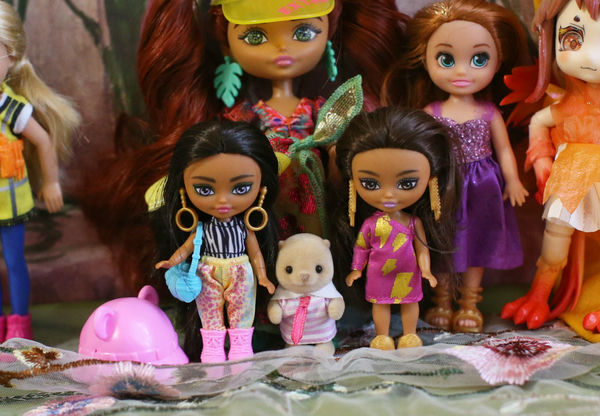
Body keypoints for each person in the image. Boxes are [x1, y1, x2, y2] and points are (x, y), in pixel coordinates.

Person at [334, 107, 460, 349]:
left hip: (407, 271)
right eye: (370, 183)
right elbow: (361, 247)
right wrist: (356, 270)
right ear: (353, 182)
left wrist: (426, 270)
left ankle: (409, 334)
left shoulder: (413, 222)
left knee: (409, 302)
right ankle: (382, 335)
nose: (389, 195)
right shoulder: (371, 224)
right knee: (380, 303)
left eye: (407, 183)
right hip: (378, 271)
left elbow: (422, 249)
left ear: (432, 181)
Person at [0, 2, 79, 341]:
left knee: (14, 261)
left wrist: (51, 183)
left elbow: (44, 141)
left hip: (10, 203)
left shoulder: (10, 106)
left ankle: (19, 321)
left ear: (11, 57)